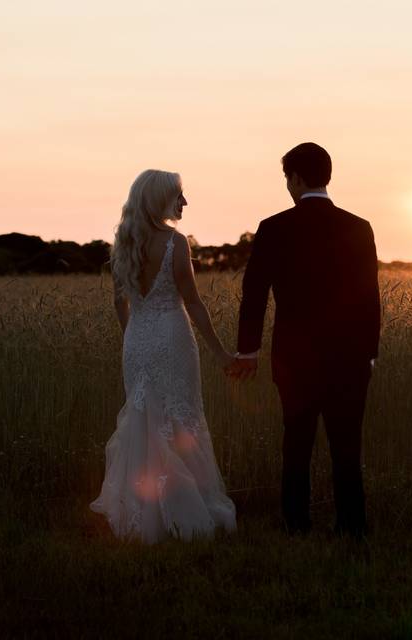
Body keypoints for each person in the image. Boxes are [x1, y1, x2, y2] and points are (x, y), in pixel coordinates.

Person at [228, 143, 381, 538]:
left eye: (286, 179)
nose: (287, 187)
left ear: (296, 178)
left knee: (296, 443)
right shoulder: (358, 227)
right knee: (347, 448)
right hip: (350, 358)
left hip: (294, 358)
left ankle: (295, 525)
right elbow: (369, 296)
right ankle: (352, 526)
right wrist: (370, 354)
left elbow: (255, 294)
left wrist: (249, 350)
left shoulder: (274, 227)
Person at [90, 169, 237, 543]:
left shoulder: (122, 243)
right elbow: (194, 303)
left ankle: (142, 514)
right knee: (180, 417)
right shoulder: (176, 243)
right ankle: (187, 513)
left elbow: (118, 302)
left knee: (142, 417)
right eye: (179, 196)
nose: (184, 203)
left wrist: (133, 338)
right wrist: (220, 353)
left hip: (136, 340)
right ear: (160, 200)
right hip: (173, 337)